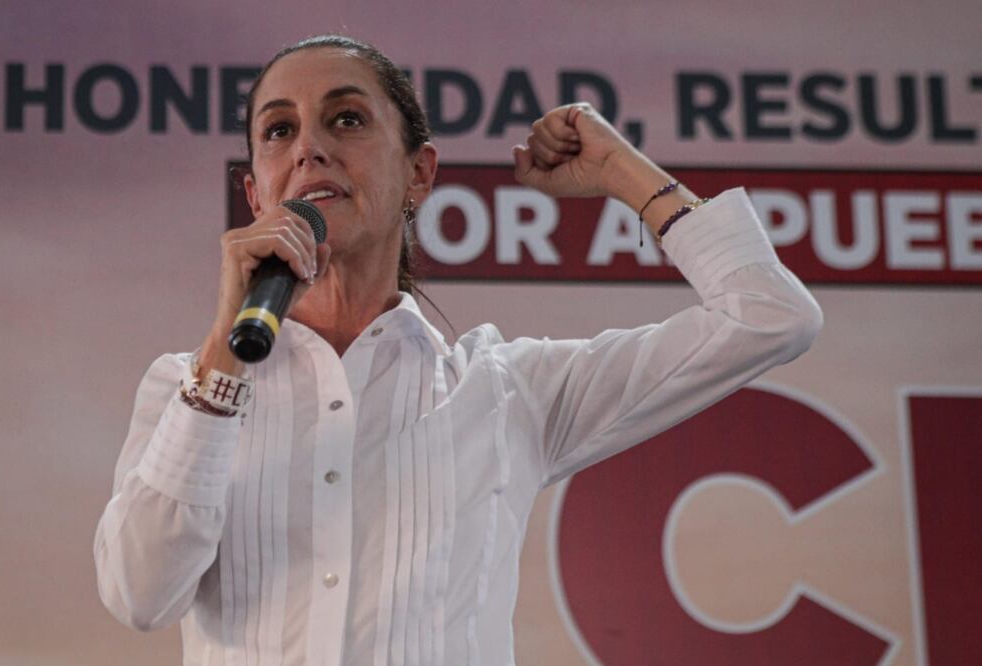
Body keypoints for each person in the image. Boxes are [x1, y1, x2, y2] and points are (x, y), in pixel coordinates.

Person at [94, 35, 822, 666]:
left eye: (346, 119)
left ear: (419, 174)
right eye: (278, 131)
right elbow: (140, 596)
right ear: (257, 196)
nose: (310, 146)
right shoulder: (184, 390)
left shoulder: (508, 390)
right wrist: (224, 360)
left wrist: (621, 174)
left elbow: (770, 317)